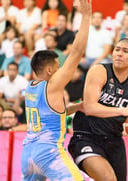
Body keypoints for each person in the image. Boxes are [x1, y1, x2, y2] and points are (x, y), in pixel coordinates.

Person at [20, 0, 92, 180]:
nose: (62, 71)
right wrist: (86, 16)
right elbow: (76, 52)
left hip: (28, 154)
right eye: (58, 67)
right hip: (48, 153)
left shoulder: (31, 87)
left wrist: (78, 106)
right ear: (49, 70)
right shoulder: (52, 85)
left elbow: (53, 113)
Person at [68, 38, 128, 181]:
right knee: (108, 179)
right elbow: (89, 107)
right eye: (117, 50)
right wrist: (122, 110)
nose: (119, 54)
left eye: (125, 51)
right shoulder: (99, 71)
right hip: (87, 136)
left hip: (114, 140)